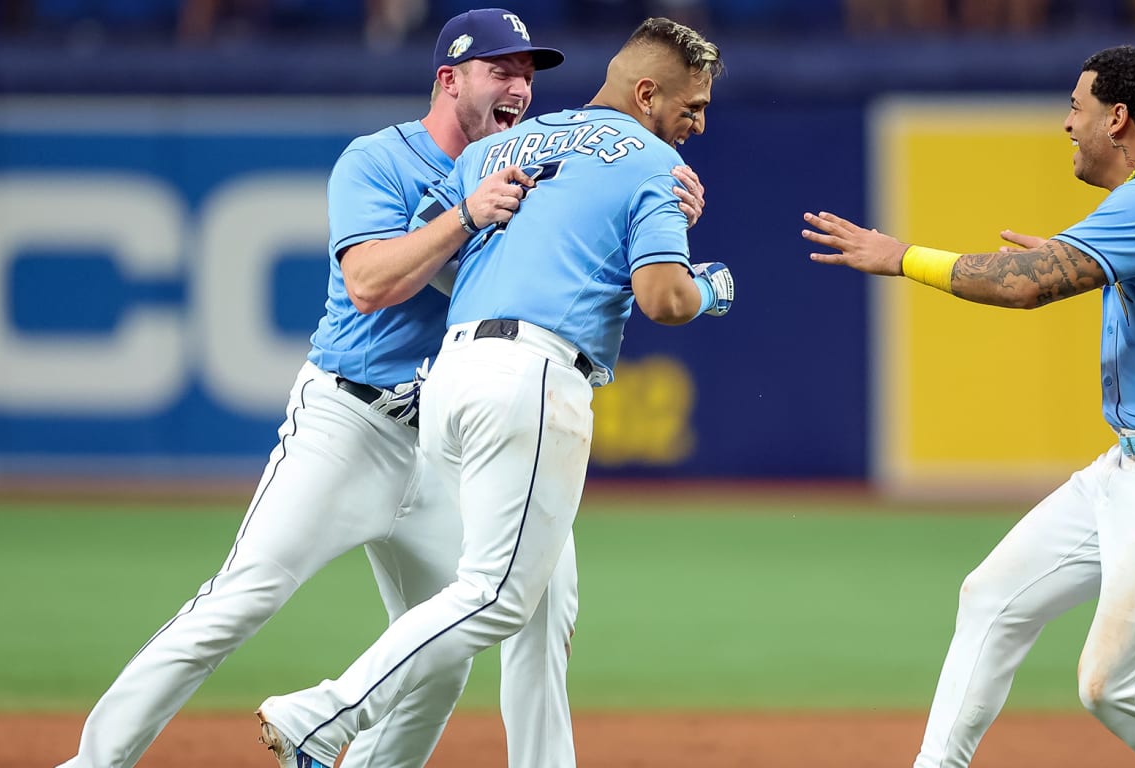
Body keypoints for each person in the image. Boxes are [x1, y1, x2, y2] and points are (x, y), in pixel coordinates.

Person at [57, 9, 703, 768]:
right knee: (241, 598)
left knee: (471, 635)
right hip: (349, 420)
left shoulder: (534, 165)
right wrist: (466, 215)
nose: (520, 88)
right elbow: (367, 283)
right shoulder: (381, 160)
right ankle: (94, 762)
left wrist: (663, 218)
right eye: (501, 70)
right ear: (449, 78)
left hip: (442, 439)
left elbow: (596, 255)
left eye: (529, 74)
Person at [801, 45, 1135, 768]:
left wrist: (902, 256)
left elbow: (1022, 285)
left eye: (1078, 106)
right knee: (992, 596)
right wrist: (1088, 266)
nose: (1068, 122)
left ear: (1117, 118)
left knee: (1118, 688)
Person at [255, 17, 732, 767]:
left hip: (451, 375)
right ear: (646, 93)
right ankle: (325, 712)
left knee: (544, 607)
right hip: (533, 379)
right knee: (496, 596)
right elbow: (664, 299)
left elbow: (432, 248)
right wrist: (714, 286)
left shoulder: (502, 146)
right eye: (692, 105)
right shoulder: (650, 162)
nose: (697, 123)